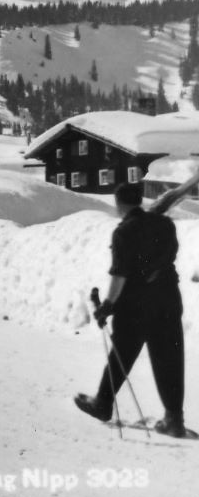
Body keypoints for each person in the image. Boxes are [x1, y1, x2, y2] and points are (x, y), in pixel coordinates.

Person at [74, 181, 187, 437]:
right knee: (169, 359)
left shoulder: (123, 232)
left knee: (122, 354)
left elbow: (120, 274)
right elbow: (171, 255)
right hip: (168, 299)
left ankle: (102, 404)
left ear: (119, 203)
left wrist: (108, 305)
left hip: (135, 305)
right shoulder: (165, 225)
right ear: (140, 200)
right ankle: (174, 419)